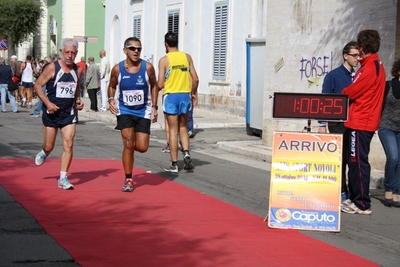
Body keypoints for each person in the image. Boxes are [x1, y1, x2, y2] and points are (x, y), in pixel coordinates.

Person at [341, 29, 386, 215]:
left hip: (361, 121)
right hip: (361, 120)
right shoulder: (372, 64)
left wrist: (344, 91)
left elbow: (350, 92)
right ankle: (356, 198)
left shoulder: (369, 68)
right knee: (356, 162)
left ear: (362, 47)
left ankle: (361, 202)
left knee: (357, 163)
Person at [108, 37, 158, 192]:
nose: (136, 51)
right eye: (132, 48)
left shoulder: (148, 67)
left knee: (142, 147)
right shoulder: (117, 69)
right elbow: (111, 86)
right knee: (129, 143)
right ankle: (128, 178)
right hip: (125, 110)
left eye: (139, 49)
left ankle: (128, 150)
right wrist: (111, 99)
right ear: (125, 50)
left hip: (143, 110)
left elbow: (155, 86)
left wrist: (155, 107)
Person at [33, 38, 84, 190]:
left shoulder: (78, 70)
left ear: (76, 54)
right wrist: (48, 103)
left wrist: (78, 100)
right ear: (62, 52)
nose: (69, 55)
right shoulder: (52, 68)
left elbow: (76, 87)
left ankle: (63, 178)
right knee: (50, 146)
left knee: (69, 144)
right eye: (67, 52)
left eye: (73, 53)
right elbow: (37, 86)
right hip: (51, 113)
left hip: (68, 114)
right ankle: (44, 152)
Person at [318, 41, 359, 204]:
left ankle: (351, 190)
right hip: (337, 123)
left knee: (352, 158)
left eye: (358, 55)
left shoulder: (358, 76)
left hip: (354, 123)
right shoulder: (333, 76)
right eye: (354, 55)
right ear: (345, 56)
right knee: (340, 158)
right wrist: (322, 124)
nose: (357, 58)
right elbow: (324, 99)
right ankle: (341, 190)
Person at [157, 32, 199, 173]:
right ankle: (186, 153)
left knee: (173, 130)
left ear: (166, 44)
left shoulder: (164, 60)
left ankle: (174, 164)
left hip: (171, 96)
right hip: (184, 95)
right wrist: (193, 93)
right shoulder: (187, 57)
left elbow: (161, 84)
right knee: (183, 128)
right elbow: (196, 79)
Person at [377, 58, 400, 208]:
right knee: (393, 157)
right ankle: (388, 190)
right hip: (386, 126)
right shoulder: (389, 85)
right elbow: (379, 104)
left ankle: (396, 191)